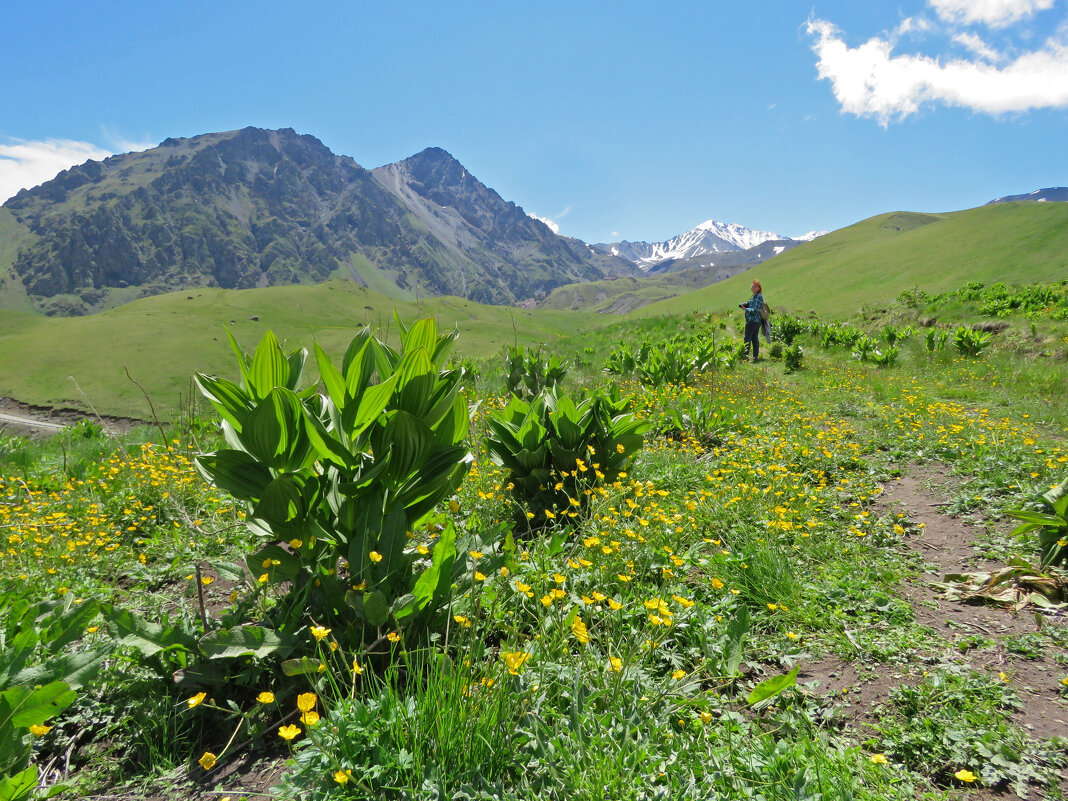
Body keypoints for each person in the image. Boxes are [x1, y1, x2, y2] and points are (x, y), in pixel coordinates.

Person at [739, 280, 764, 362]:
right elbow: (750, 303)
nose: (753, 288)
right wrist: (744, 304)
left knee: (747, 338)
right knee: (754, 338)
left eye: (755, 287)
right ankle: (755, 356)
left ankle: (745, 356)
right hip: (756, 320)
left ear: (758, 288)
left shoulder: (758, 297)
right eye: (752, 286)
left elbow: (755, 309)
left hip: (752, 320)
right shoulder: (755, 296)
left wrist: (745, 309)